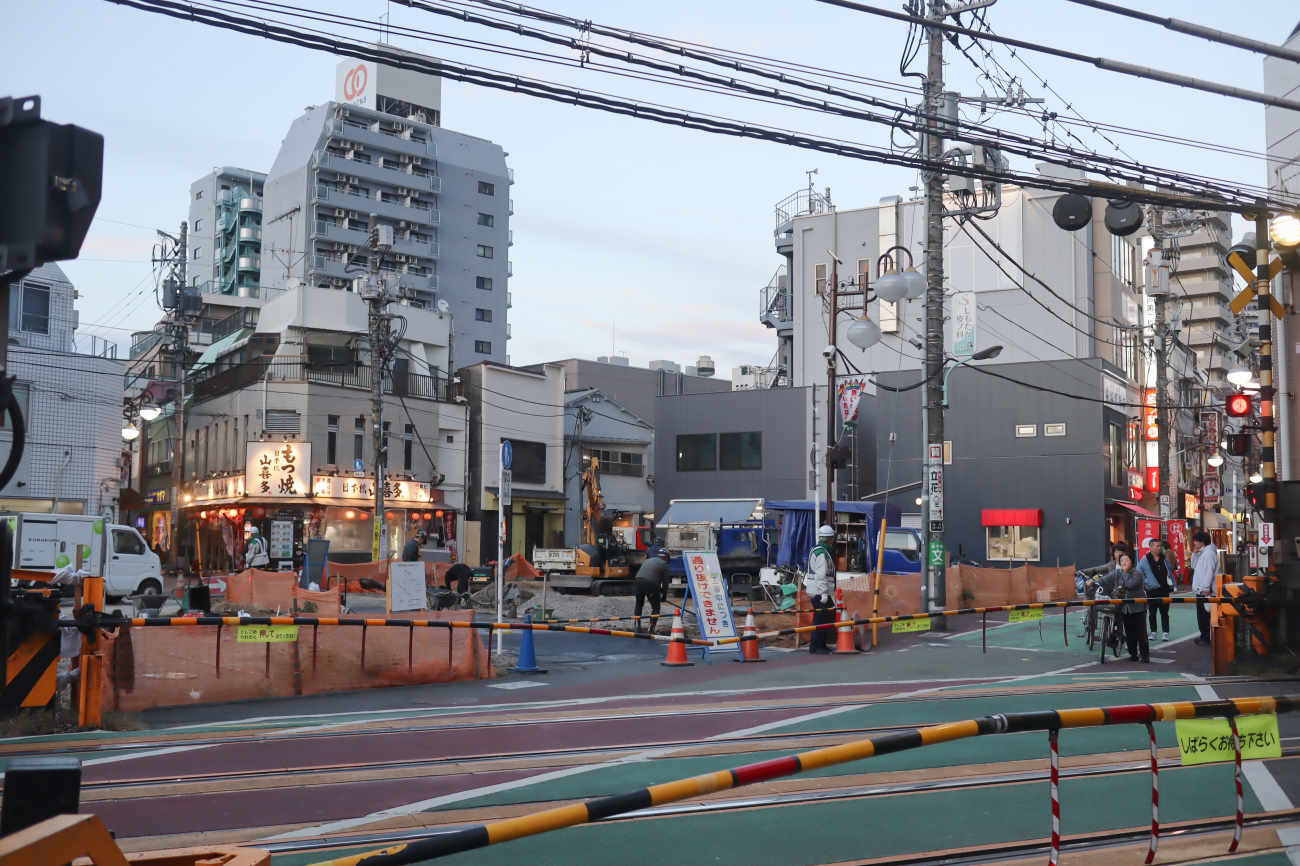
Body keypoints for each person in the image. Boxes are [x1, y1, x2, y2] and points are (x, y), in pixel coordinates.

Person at [804, 525, 837, 655]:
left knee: (822, 618)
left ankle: (819, 645)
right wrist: (824, 593)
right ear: (829, 538)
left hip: (817, 590)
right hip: (819, 591)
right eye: (832, 538)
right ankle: (818, 647)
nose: (833, 540)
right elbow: (821, 575)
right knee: (821, 619)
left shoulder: (819, 550)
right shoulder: (822, 553)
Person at [1112, 551, 1150, 662]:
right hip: (1125, 608)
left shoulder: (1137, 573)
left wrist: (1123, 573)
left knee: (1141, 633)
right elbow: (1116, 588)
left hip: (1138, 608)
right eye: (1122, 560)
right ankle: (1133, 655)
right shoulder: (1119, 574)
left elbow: (1130, 585)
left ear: (1131, 562)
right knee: (1129, 633)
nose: (1123, 562)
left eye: (1126, 560)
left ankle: (1145, 656)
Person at [1139, 539, 1173, 640]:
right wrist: (1146, 582)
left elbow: (1170, 572)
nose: (1159, 548)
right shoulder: (1145, 559)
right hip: (1151, 590)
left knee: (1164, 612)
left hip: (1164, 589)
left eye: (1160, 546)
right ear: (1151, 547)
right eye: (1157, 546)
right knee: (1152, 612)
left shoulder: (1164, 558)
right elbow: (1139, 572)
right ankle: (1153, 632)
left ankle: (1165, 632)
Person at [1190, 529, 1218, 645]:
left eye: (1196, 541)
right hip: (1201, 589)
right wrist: (1195, 553)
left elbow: (1209, 572)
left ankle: (1206, 638)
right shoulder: (1203, 552)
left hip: (1205, 590)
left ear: (1202, 542)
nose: (1194, 544)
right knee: (1202, 614)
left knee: (1205, 615)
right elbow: (1193, 565)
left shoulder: (1209, 553)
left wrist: (1206, 588)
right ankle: (1204, 636)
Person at [633, 547, 671, 632]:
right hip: (651, 583)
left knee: (639, 604)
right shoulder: (664, 564)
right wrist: (664, 596)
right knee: (656, 607)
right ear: (666, 557)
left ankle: (637, 625)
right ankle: (651, 627)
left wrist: (659, 591)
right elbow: (665, 583)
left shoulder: (647, 560)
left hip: (638, 581)